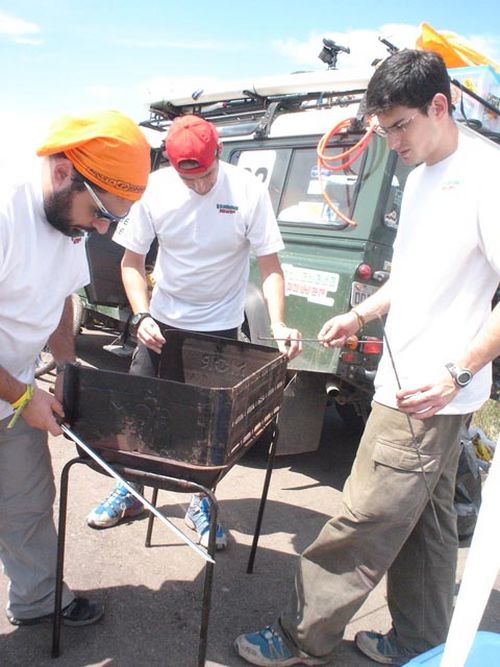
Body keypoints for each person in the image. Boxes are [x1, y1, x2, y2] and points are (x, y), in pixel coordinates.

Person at [234, 49, 500, 666]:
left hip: (427, 395)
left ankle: (302, 635)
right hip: (413, 380)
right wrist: (360, 314)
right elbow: (412, 273)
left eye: (400, 125)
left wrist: (458, 371)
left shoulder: (486, 176)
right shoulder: (422, 174)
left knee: (363, 519)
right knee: (428, 531)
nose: (392, 141)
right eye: (383, 131)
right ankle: (421, 644)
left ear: (440, 105)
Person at [87, 114, 302, 549]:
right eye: (190, 181)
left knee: (208, 429)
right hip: (160, 322)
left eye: (205, 177)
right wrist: (141, 315)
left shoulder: (247, 191)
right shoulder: (156, 190)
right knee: (138, 414)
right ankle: (130, 492)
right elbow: (130, 263)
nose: (199, 187)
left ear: (217, 156)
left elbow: (270, 267)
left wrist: (279, 322)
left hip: (219, 328)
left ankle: (199, 502)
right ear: (172, 166)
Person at [0, 110, 151, 627]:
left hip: (14, 391)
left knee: (27, 501)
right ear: (64, 172)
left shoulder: (68, 217)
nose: (100, 227)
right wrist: (22, 396)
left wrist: (65, 365)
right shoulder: (5, 209)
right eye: (98, 212)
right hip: (13, 391)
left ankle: (39, 600)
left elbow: (64, 294)